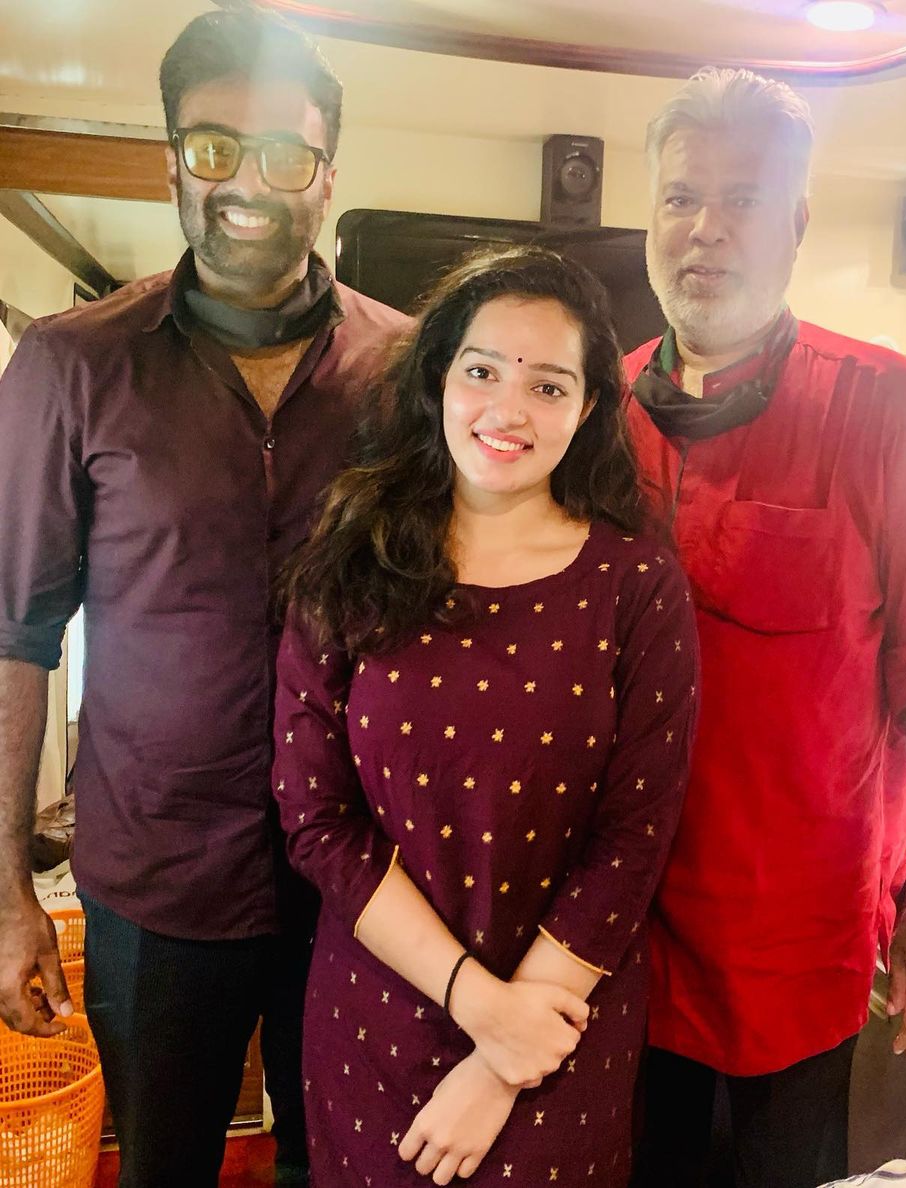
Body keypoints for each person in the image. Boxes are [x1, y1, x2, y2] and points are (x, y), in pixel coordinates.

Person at [0, 9, 408, 1186]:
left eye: (285, 153)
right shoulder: (73, 364)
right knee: (162, 1168)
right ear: (173, 159)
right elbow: (16, 632)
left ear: (327, 174)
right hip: (157, 885)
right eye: (215, 147)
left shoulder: (408, 372)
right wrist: (6, 890)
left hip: (362, 884)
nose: (248, 185)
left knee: (345, 1168)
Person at [625, 68, 906, 1188]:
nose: (704, 228)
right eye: (681, 198)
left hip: (794, 942)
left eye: (740, 200)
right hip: (623, 927)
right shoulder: (599, 403)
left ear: (793, 224)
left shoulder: (885, 404)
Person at [272, 246, 700, 1187]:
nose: (508, 410)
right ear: (438, 380)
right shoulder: (350, 556)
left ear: (588, 408)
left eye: (548, 386)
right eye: (482, 372)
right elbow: (314, 815)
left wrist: (507, 1057)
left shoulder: (636, 584)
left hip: (562, 1029)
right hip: (375, 1015)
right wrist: (479, 1007)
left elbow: (635, 835)